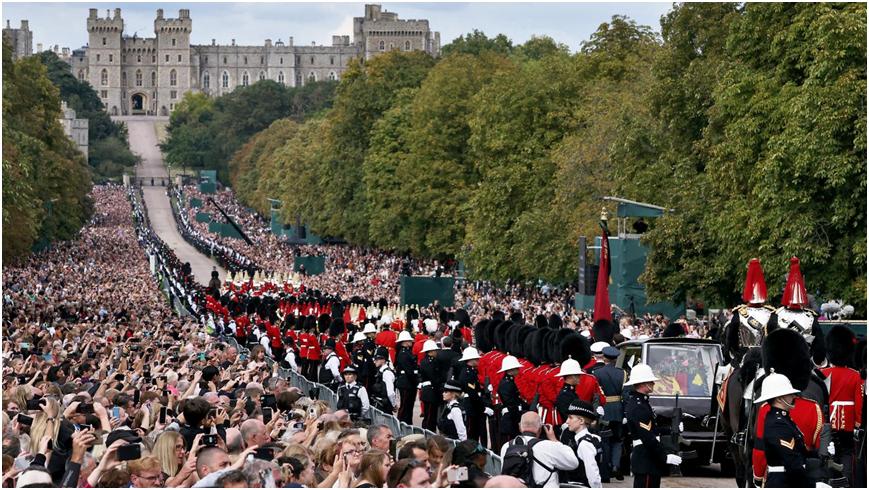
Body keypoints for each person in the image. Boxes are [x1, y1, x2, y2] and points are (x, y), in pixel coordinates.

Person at [624, 363, 682, 488]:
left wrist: (671, 429)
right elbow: (648, 437)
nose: (653, 384)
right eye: (651, 381)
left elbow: (652, 429)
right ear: (644, 383)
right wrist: (664, 456)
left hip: (648, 458)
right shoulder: (639, 406)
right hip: (646, 458)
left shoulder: (642, 402)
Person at [821, 325, 864, 486]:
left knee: (828, 455)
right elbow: (859, 403)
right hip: (848, 424)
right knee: (847, 455)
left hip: (827, 422)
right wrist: (858, 423)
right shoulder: (855, 375)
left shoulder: (823, 374)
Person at [756, 373, 815, 488]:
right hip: (783, 482)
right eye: (789, 394)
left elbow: (799, 452)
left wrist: (818, 455)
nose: (794, 396)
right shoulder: (777, 423)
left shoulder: (784, 419)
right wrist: (811, 485)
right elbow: (792, 462)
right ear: (779, 398)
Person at [768, 257, 826, 365]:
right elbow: (819, 350)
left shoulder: (776, 315)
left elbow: (768, 345)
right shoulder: (810, 318)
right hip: (804, 365)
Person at [499, 412, 578, 488]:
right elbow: (573, 463)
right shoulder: (549, 446)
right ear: (540, 428)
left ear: (519, 426)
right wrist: (554, 440)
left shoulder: (506, 447)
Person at [723, 258, 775, 366]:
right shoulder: (771, 314)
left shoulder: (739, 314)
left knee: (725, 379)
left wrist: (733, 357)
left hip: (743, 359)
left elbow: (731, 341)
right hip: (766, 361)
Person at [593, 345, 626, 482]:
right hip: (618, 408)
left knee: (605, 441)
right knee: (617, 440)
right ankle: (615, 466)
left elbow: (597, 394)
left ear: (604, 357)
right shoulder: (622, 373)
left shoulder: (598, 373)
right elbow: (625, 393)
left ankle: (606, 469)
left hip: (605, 407)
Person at [559, 401, 602, 488]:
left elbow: (593, 474)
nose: (567, 421)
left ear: (581, 421)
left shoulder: (584, 444)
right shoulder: (589, 438)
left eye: (570, 418)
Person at [457, 346, 492, 446]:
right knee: (473, 432)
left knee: (480, 431)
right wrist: (483, 408)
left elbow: (476, 389)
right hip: (472, 406)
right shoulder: (467, 373)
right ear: (470, 360)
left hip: (475, 404)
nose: (478, 360)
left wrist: (484, 389)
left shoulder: (471, 371)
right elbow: (472, 393)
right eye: (476, 359)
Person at [497, 355, 527, 447]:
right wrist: (517, 420)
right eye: (516, 368)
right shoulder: (506, 383)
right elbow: (510, 403)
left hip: (513, 415)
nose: (518, 370)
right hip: (510, 418)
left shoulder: (510, 381)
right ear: (511, 370)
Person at [395, 331, 419, 425]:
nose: (411, 342)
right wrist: (415, 380)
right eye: (409, 340)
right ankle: (400, 423)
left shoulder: (407, 352)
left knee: (409, 406)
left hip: (409, 382)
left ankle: (408, 423)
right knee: (404, 406)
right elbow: (409, 370)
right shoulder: (403, 353)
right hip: (406, 383)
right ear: (404, 341)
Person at [420, 340, 444, 431]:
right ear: (430, 351)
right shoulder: (428, 362)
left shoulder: (431, 361)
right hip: (430, 391)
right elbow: (433, 377)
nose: (436, 352)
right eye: (435, 350)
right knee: (429, 417)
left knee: (431, 416)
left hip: (431, 391)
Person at [555, 358, 582, 425]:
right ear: (571, 376)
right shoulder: (565, 394)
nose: (580, 378)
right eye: (577, 375)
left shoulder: (570, 391)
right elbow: (568, 416)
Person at [370, 347, 397, 413]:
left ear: (383, 360)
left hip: (384, 406)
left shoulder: (387, 373)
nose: (374, 361)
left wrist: (394, 405)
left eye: (377, 359)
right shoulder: (380, 371)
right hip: (379, 404)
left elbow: (390, 393)